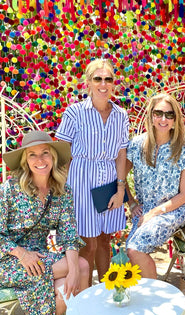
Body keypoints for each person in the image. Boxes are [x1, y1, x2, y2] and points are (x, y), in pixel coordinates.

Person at [0, 131, 111, 315]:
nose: (40, 160)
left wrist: (71, 271)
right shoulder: (9, 190)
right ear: (25, 161)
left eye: (45, 153)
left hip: (40, 258)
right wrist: (22, 254)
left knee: (73, 275)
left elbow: (69, 234)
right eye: (33, 155)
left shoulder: (62, 191)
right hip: (7, 260)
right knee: (75, 268)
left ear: (53, 158)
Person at [56, 59, 130, 286]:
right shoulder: (74, 113)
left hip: (108, 180)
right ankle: (85, 295)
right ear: (88, 82)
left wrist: (120, 189)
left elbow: (121, 155)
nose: (103, 84)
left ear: (114, 84)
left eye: (108, 79)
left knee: (105, 240)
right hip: (81, 181)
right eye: (97, 78)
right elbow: (62, 153)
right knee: (88, 243)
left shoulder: (121, 115)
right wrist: (61, 191)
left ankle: (108, 289)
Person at [125, 93, 185, 278]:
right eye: (159, 113)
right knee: (129, 249)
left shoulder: (182, 151)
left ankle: (153, 295)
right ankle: (147, 291)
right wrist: (132, 203)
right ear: (151, 116)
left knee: (135, 248)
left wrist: (155, 213)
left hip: (173, 210)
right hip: (145, 210)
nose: (163, 119)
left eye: (169, 114)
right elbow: (120, 177)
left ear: (175, 120)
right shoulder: (136, 145)